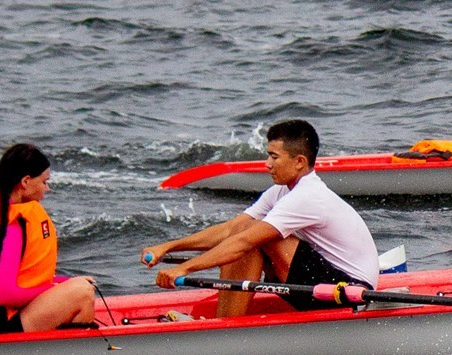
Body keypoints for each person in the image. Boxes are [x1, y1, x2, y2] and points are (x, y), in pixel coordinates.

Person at [144, 119, 382, 319]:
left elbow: (244, 241)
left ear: (299, 161)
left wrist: (185, 269)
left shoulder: (308, 196)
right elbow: (232, 229)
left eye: (274, 157)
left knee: (255, 239)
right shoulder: (282, 190)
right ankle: (225, 318)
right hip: (323, 280)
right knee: (246, 231)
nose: (267, 164)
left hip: (345, 292)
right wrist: (168, 247)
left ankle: (225, 326)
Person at [0, 142, 104, 334]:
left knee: (77, 285)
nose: (48, 188)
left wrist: (62, 282)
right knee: (82, 292)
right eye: (44, 182)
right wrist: (55, 287)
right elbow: (5, 294)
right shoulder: (13, 224)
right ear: (26, 182)